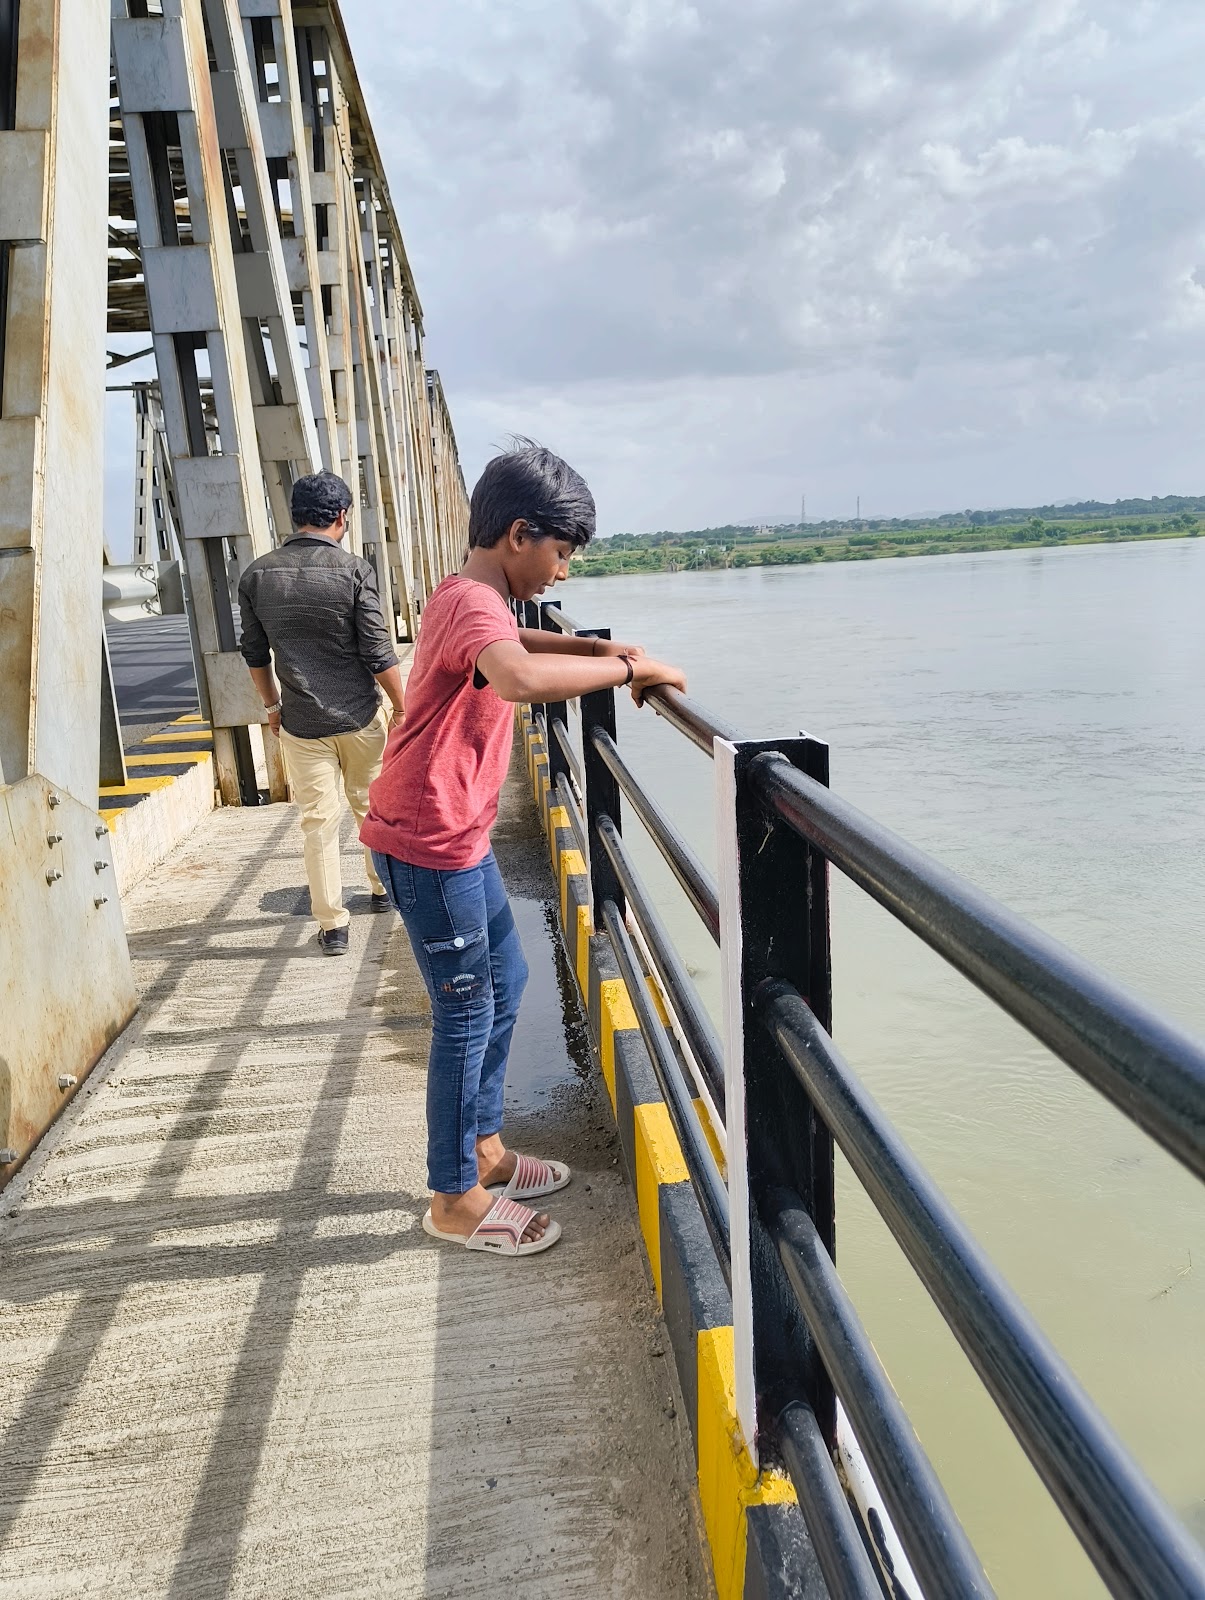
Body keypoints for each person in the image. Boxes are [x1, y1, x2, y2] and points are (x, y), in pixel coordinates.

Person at [361, 443, 687, 1258]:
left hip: (451, 834)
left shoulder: (472, 595)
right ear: (519, 534)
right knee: (465, 1012)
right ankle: (454, 1198)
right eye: (562, 552)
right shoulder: (476, 607)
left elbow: (527, 650)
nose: (564, 572)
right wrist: (621, 677)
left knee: (502, 982)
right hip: (429, 842)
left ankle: (486, 1150)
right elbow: (516, 678)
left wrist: (616, 654)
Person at [237, 470, 407, 955]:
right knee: (371, 808)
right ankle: (382, 890)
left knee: (317, 821)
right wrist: (401, 706)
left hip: (301, 723)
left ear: (294, 517)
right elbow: (378, 651)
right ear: (342, 517)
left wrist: (272, 707)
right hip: (358, 717)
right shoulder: (354, 571)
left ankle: (333, 925)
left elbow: (254, 653)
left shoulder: (257, 574)